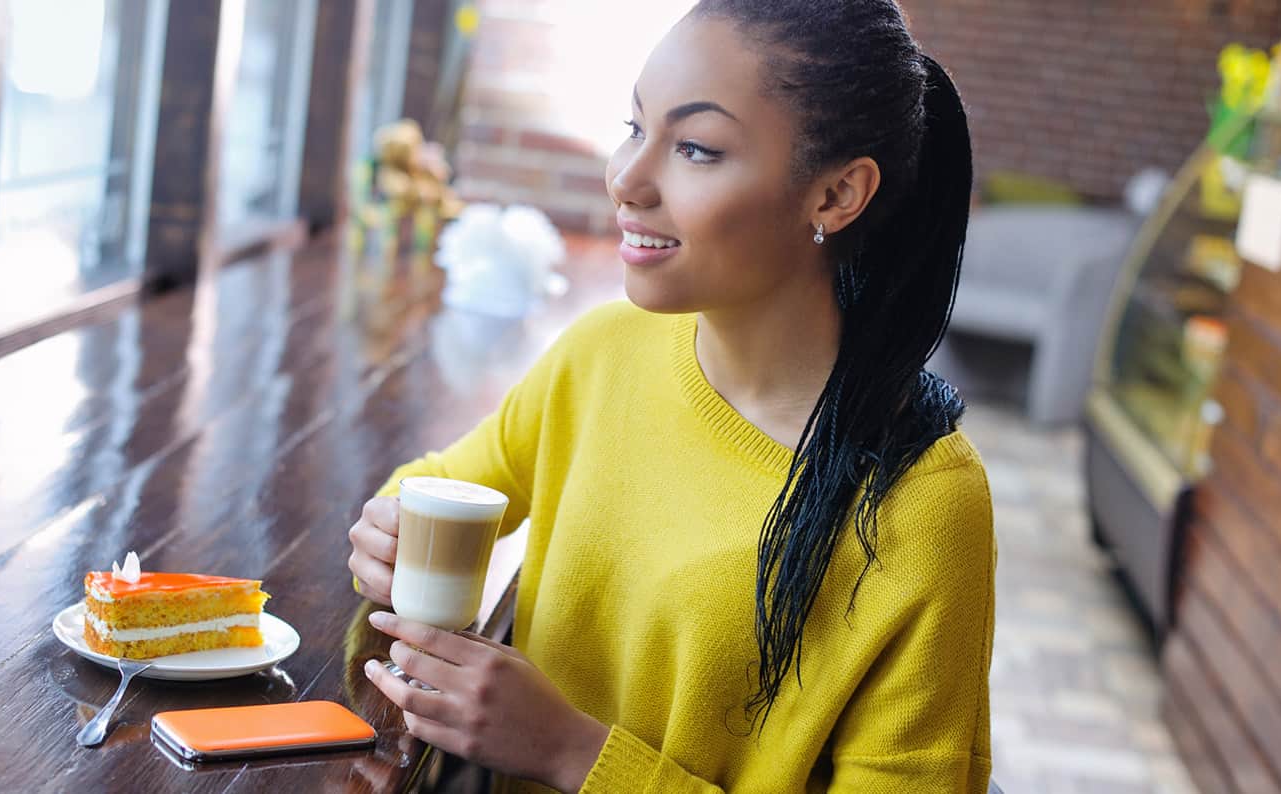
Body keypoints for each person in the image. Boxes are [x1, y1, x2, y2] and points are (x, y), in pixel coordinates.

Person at [347, 1, 994, 791]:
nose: (625, 178)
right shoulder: (603, 353)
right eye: (633, 127)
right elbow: (442, 484)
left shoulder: (923, 505)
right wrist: (386, 534)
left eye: (694, 147)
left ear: (835, 195)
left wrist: (571, 753)